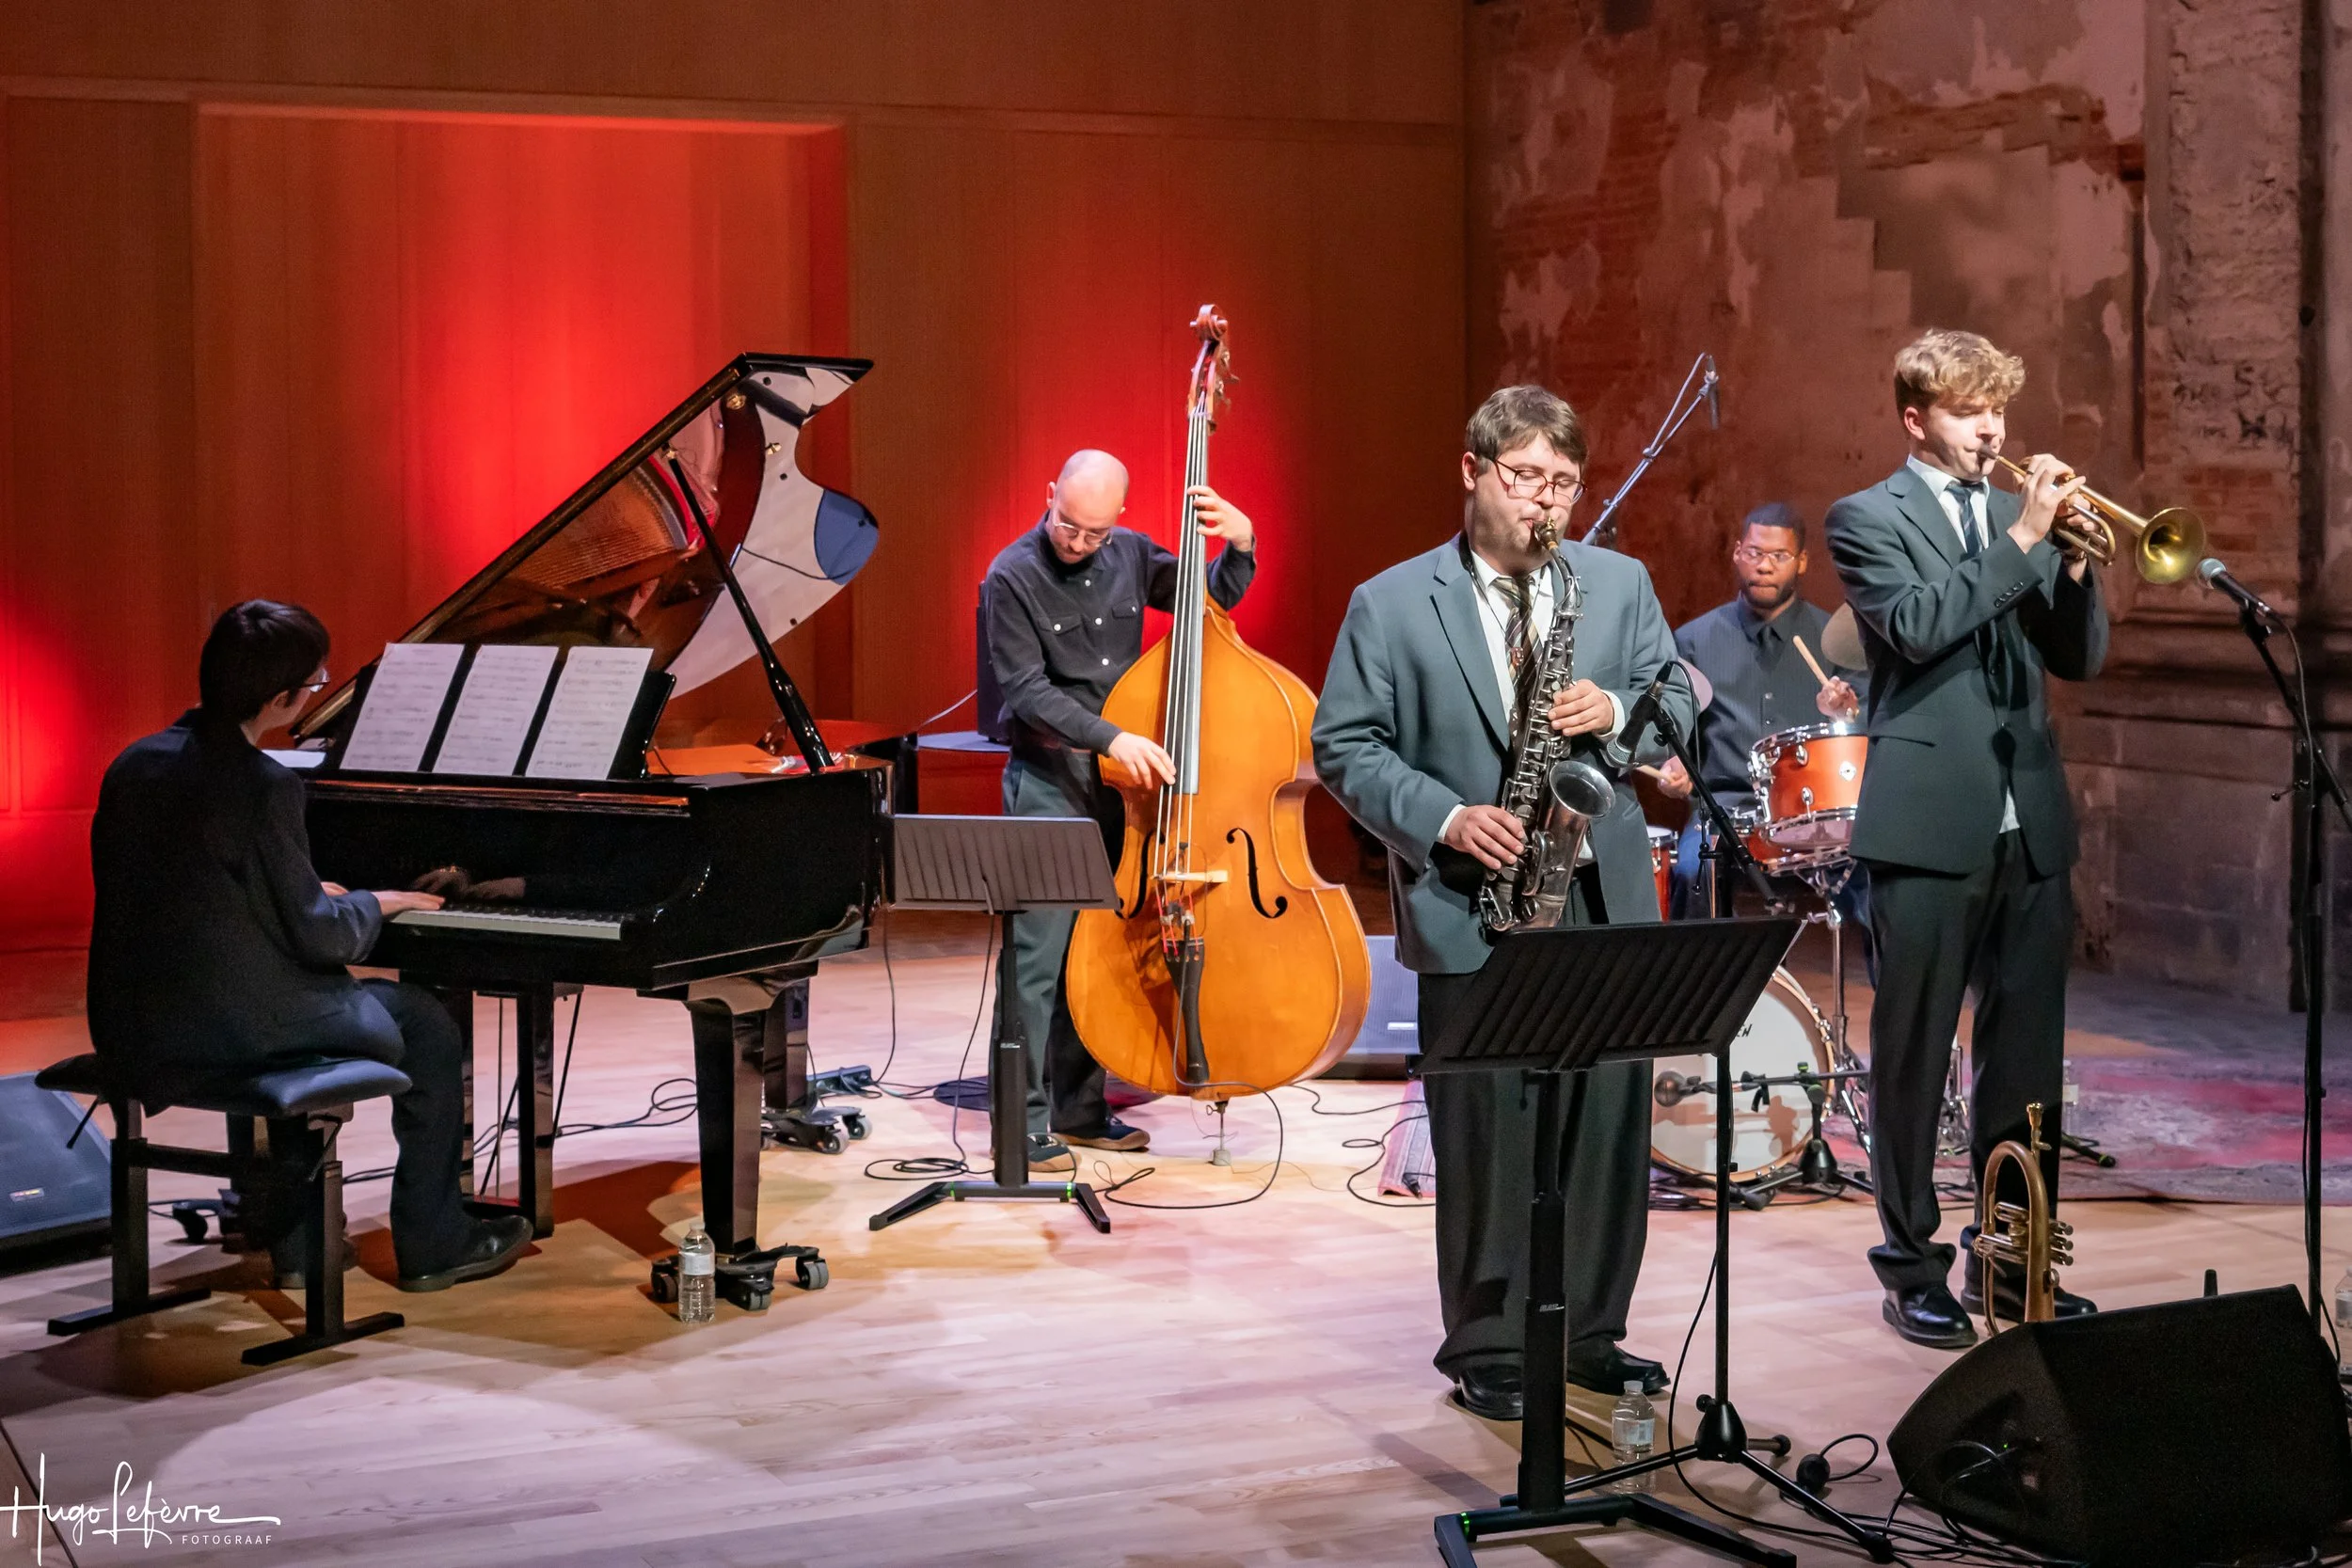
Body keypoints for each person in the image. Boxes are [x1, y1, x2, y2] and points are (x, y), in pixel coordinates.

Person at [1312, 385, 1692, 1422]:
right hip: (1469, 896)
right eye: (1526, 477)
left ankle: (1588, 1331)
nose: (1547, 503)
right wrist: (1442, 817)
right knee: (1488, 1129)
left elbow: (1678, 697)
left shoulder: (1614, 583)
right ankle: (1487, 1338)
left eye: (1565, 483)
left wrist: (1620, 707)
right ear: (1473, 470)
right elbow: (1342, 743)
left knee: (1605, 1124)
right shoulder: (1389, 601)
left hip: (1600, 893)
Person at [86, 600, 536, 1292]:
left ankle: (299, 1241)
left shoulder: (133, 764)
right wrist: (375, 902)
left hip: (133, 1023)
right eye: (315, 684)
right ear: (280, 698)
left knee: (290, 1004)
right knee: (424, 1025)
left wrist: (297, 890)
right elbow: (319, 936)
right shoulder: (264, 785)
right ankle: (436, 1240)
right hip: (233, 1027)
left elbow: (190, 895)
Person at [1825, 328, 2106, 1348]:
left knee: (2025, 1058)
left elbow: (2075, 657)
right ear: (1915, 417)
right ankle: (1909, 1265)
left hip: (2027, 817)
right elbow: (1915, 624)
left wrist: (2072, 566)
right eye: (1965, 409)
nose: (1990, 428)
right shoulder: (1864, 517)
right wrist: (2026, 537)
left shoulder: (2011, 513)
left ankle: (2011, 1259)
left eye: (1995, 407)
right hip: (1924, 823)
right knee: (1909, 1059)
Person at [980, 450, 1257, 1167]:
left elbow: (1213, 609)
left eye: (1094, 533)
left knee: (1093, 953)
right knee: (1035, 962)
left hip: (1122, 793)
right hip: (1050, 782)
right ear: (1049, 496)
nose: (1077, 542)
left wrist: (1242, 543)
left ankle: (1079, 1108)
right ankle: (1020, 1123)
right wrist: (1113, 735)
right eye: (1068, 525)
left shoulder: (1132, 554)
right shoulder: (1010, 575)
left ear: (1119, 521)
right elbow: (1025, 688)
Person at [1657, 502, 1872, 963]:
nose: (1764, 565)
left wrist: (1847, 716)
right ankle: (1700, 1004)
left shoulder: (1835, 641)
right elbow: (1674, 731)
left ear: (1802, 562)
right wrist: (1675, 765)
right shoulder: (1694, 640)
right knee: (1691, 870)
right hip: (1726, 810)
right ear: (1737, 554)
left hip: (1814, 813)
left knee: (1881, 878)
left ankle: (1894, 1019)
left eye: (1779, 556)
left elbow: (1864, 734)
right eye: (1755, 553)